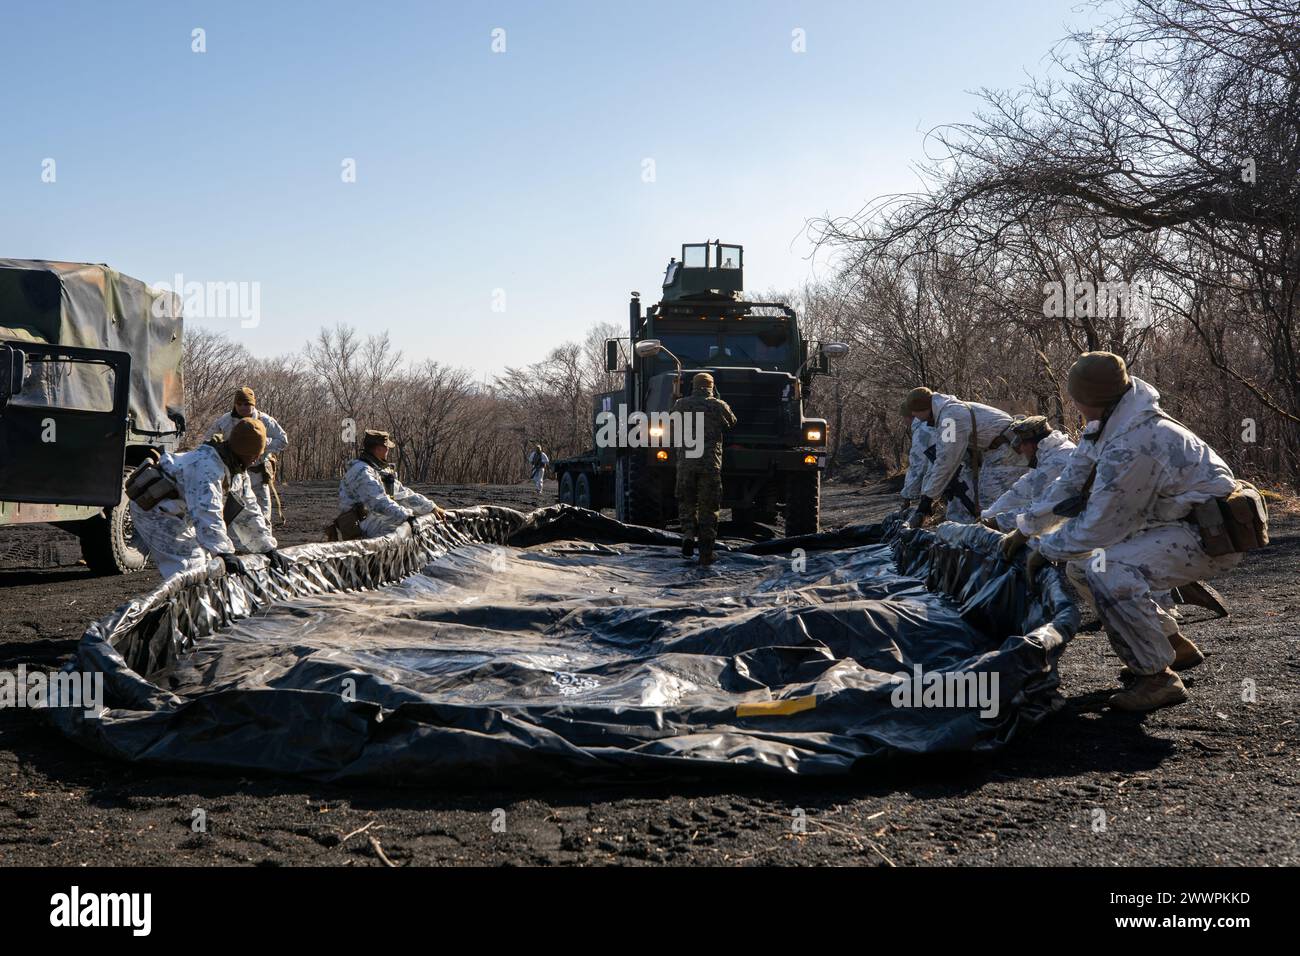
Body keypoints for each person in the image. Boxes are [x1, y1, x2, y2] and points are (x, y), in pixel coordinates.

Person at [1014, 352, 1248, 711]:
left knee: (1105, 569)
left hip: (1207, 536)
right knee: (1081, 568)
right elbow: (1071, 483)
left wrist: (1045, 549)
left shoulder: (1134, 441)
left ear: (1088, 398)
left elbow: (1099, 527)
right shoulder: (1111, 421)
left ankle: (1158, 678)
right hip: (1175, 525)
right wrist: (1026, 528)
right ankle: (1170, 642)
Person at [128, 418, 290, 579]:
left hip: (177, 512)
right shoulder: (207, 467)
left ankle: (196, 602)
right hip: (155, 512)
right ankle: (183, 603)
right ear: (242, 451)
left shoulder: (236, 470)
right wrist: (223, 551)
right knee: (190, 565)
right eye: (254, 454)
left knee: (206, 562)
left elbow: (248, 511)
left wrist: (266, 547)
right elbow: (207, 511)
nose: (256, 459)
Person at [905, 387, 1027, 526]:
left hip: (1007, 452)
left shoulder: (950, 418)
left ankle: (1015, 535)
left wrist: (928, 498)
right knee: (991, 504)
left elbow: (946, 461)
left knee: (990, 505)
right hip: (998, 451)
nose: (917, 418)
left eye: (916, 414)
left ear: (923, 409)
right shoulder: (948, 410)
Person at [671, 372, 736, 566]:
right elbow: (732, 422)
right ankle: (706, 554)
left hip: (686, 463)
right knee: (709, 507)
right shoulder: (718, 405)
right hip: (710, 464)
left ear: (693, 385)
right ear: (711, 386)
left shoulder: (681, 404)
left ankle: (688, 535)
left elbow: (670, 422)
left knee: (686, 502)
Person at [204, 386, 288, 523]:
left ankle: (264, 542)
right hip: (231, 475)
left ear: (253, 404)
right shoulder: (225, 421)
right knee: (232, 516)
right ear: (235, 404)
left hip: (257, 474)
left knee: (262, 515)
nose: (243, 407)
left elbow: (283, 441)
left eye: (247, 404)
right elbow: (207, 441)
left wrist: (260, 443)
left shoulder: (264, 420)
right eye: (239, 404)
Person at [338, 429, 444, 538]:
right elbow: (379, 502)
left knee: (411, 526)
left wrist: (430, 507)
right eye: (387, 447)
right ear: (379, 448)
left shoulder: (378, 470)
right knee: (401, 532)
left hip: (372, 520)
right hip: (361, 526)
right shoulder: (362, 472)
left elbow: (403, 494)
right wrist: (408, 517)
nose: (388, 450)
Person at [979, 416, 1077, 532]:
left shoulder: (1055, 462)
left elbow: (1038, 509)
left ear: (1032, 445)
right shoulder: (1047, 452)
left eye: (1022, 445)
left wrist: (997, 522)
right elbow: (1018, 492)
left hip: (1072, 528)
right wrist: (987, 515)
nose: (1021, 449)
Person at [898, 397, 936, 514]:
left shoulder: (921, 432)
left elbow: (917, 466)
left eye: (904, 417)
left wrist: (906, 496)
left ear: (910, 416)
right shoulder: (930, 423)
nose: (904, 421)